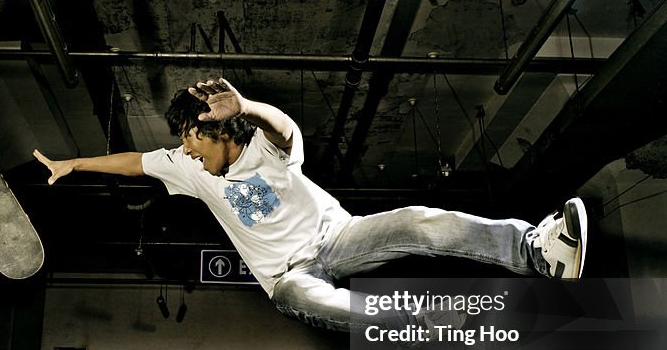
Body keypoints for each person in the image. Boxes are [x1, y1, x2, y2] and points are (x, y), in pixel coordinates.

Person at [34, 77, 587, 332]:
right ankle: (418, 319)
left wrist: (247, 104)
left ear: (226, 134)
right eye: (181, 141)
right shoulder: (187, 166)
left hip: (337, 237)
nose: (185, 151)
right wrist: (73, 164)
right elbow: (133, 161)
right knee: (318, 301)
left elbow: (282, 126)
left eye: (193, 139)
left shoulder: (267, 149)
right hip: (287, 275)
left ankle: (537, 250)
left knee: (417, 222)